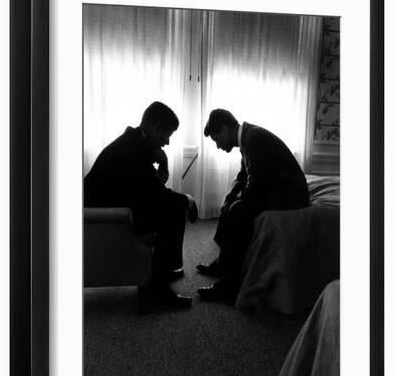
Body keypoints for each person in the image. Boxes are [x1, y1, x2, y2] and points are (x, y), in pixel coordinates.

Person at [84, 101, 198, 308]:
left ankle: (164, 271)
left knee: (171, 207)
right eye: (167, 135)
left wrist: (162, 165)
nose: (167, 142)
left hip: (117, 204)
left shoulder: (135, 143)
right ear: (155, 128)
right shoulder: (133, 151)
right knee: (174, 211)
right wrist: (188, 200)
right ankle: (157, 292)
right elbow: (157, 194)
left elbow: (149, 188)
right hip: (103, 216)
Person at [197, 108, 309, 302]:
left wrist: (237, 200)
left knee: (238, 210)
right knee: (231, 203)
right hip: (275, 186)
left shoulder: (255, 139)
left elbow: (256, 183)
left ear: (224, 130)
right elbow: (244, 175)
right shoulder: (248, 137)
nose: (217, 146)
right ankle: (223, 264)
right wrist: (230, 196)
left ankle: (229, 286)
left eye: (216, 140)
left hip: (290, 195)